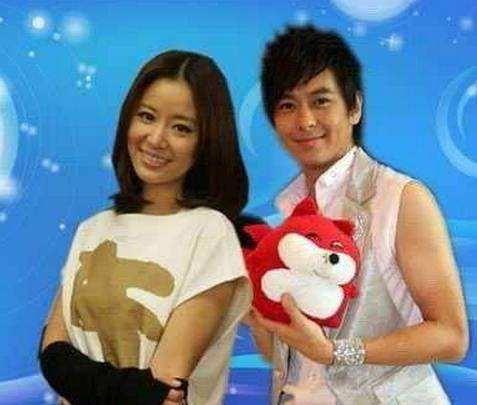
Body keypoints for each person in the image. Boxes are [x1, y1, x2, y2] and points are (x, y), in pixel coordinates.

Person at [245, 25, 468, 404]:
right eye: (287, 106)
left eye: (321, 101)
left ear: (354, 108)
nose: (305, 121)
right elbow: (293, 357)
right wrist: (257, 319)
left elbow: (451, 336)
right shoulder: (285, 212)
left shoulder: (401, 197)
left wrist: (338, 353)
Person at [39, 50, 252, 405]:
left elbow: (164, 384)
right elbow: (52, 353)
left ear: (207, 140)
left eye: (181, 127)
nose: (155, 138)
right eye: (147, 116)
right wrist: (130, 389)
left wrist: (82, 377)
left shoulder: (210, 233)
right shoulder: (93, 229)